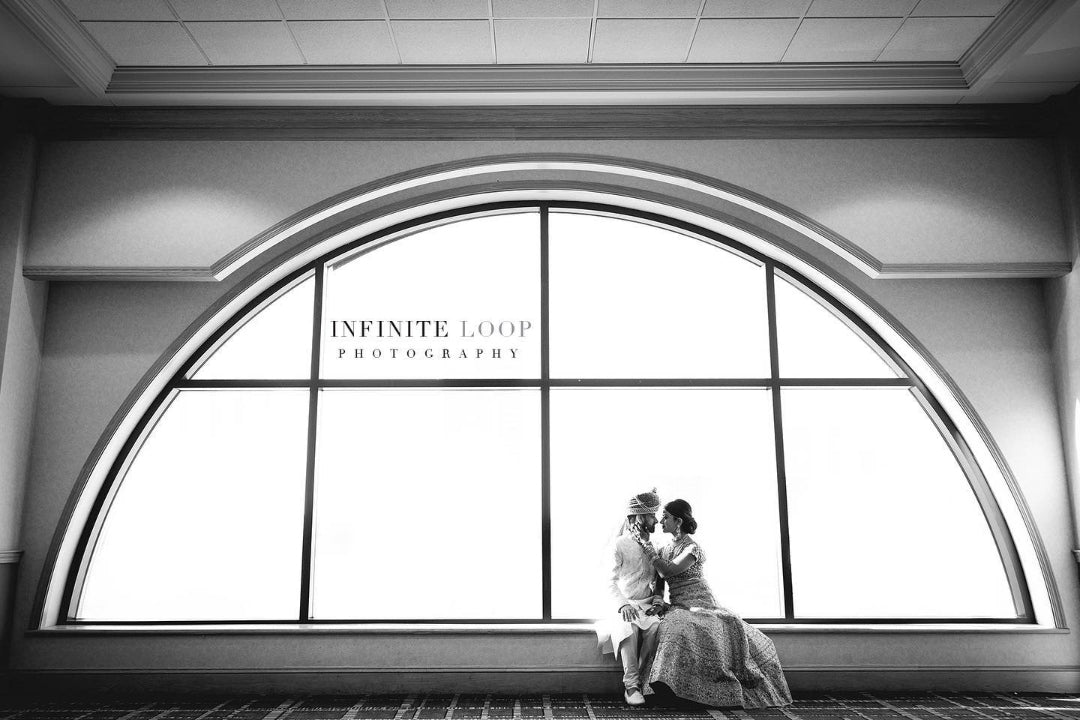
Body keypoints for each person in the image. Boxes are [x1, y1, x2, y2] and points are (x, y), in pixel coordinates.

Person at [630, 499, 792, 709]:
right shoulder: (663, 551)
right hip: (679, 605)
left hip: (702, 603)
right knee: (673, 626)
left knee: (712, 625)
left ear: (678, 521)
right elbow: (660, 583)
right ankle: (667, 688)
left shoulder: (693, 549)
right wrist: (659, 603)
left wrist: (646, 544)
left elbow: (667, 571)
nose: (661, 521)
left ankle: (711, 690)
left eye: (666, 517)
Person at [595, 489, 666, 707]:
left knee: (655, 629)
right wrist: (623, 604)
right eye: (652, 515)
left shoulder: (654, 546)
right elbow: (607, 581)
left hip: (647, 606)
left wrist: (658, 600)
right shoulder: (619, 544)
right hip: (624, 605)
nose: (656, 520)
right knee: (630, 627)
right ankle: (631, 686)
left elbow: (660, 580)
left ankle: (643, 682)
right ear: (639, 516)